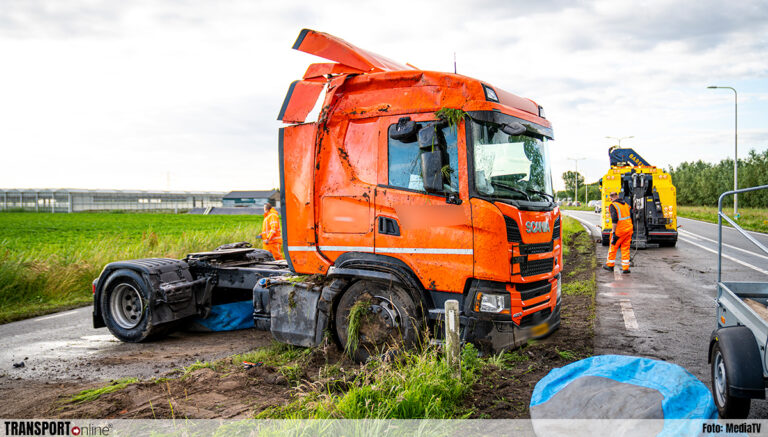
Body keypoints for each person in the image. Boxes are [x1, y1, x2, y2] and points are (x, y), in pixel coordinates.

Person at [603, 191, 633, 274]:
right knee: (625, 248)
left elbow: (614, 220)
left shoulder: (613, 205)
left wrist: (613, 231)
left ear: (611, 198)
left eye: (610, 198)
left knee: (613, 246)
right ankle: (625, 268)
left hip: (620, 230)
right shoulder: (625, 204)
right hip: (628, 229)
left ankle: (610, 265)